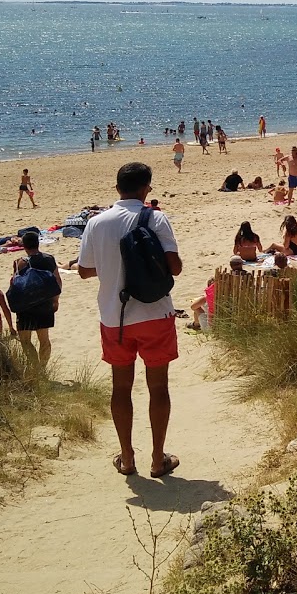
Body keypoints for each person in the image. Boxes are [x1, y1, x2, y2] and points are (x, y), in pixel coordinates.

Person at [76, 162, 184, 479]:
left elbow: (83, 270)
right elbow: (175, 268)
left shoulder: (96, 223)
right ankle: (156, 459)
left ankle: (127, 458)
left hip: (115, 318)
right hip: (155, 313)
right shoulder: (156, 218)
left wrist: (112, 268)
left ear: (117, 188)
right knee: (158, 387)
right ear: (146, 187)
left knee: (121, 388)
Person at [12, 229, 60, 367]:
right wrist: (55, 300)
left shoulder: (18, 263)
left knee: (25, 340)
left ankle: (35, 367)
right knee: (44, 339)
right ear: (38, 244)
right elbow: (57, 280)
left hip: (25, 306)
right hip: (44, 303)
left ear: (24, 246)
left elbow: (15, 284)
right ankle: (42, 368)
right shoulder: (49, 259)